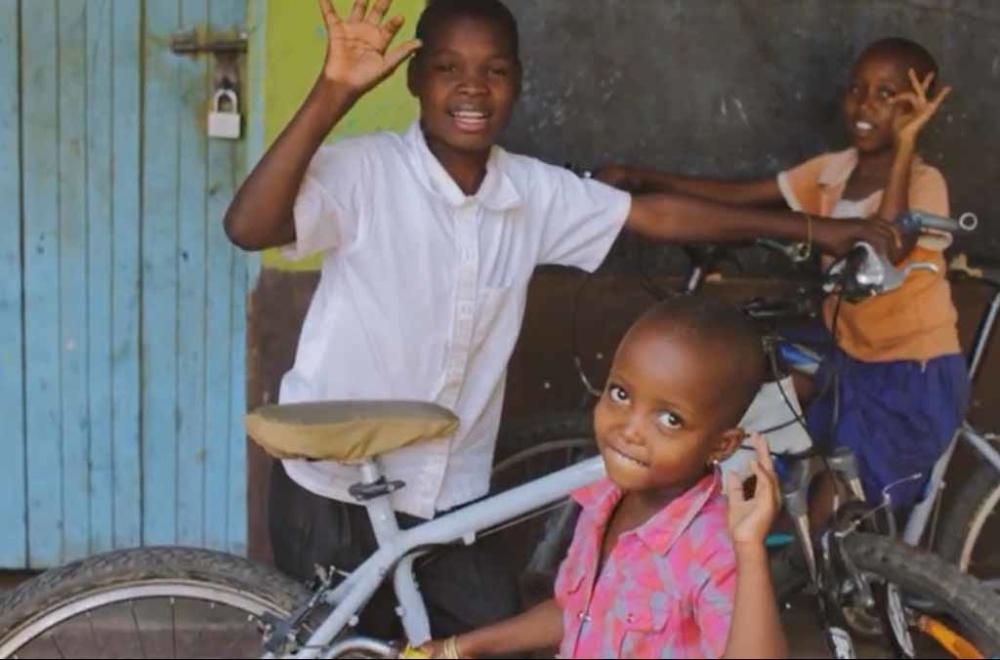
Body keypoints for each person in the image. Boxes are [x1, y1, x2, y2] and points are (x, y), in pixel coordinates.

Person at [223, 0, 895, 638]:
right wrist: (334, 91)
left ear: (518, 83)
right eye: (450, 68)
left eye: (494, 70)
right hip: (334, 486)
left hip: (452, 492)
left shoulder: (530, 193)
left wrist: (816, 228)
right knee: (335, 643)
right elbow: (249, 225)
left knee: (485, 633)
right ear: (417, 78)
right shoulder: (366, 171)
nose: (472, 87)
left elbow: (653, 215)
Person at [597, 37, 965, 512]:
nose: (865, 105)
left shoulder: (924, 182)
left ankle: (831, 578)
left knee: (838, 506)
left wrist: (907, 144)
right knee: (757, 383)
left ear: (920, 104)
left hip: (909, 374)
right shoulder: (834, 170)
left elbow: (889, 246)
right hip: (846, 355)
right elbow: (741, 196)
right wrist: (641, 178)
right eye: (857, 88)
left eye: (887, 94)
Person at [420, 297, 788, 659]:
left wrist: (750, 548)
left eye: (669, 419)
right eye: (621, 393)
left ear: (721, 445)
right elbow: (577, 614)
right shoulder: (603, 501)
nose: (629, 429)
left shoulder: (714, 546)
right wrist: (462, 646)